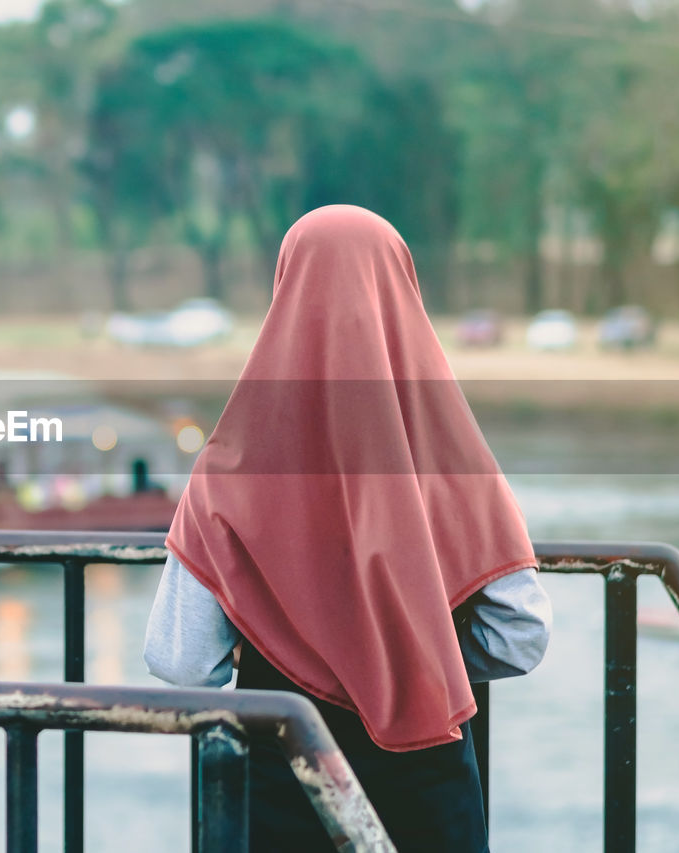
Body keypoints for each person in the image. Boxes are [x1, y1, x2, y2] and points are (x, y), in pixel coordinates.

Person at [142, 205, 551, 852]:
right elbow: (520, 634)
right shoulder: (458, 462)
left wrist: (284, 641)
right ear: (404, 295)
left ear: (284, 296)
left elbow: (182, 661)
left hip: (282, 787)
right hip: (429, 793)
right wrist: (411, 657)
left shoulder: (226, 470)